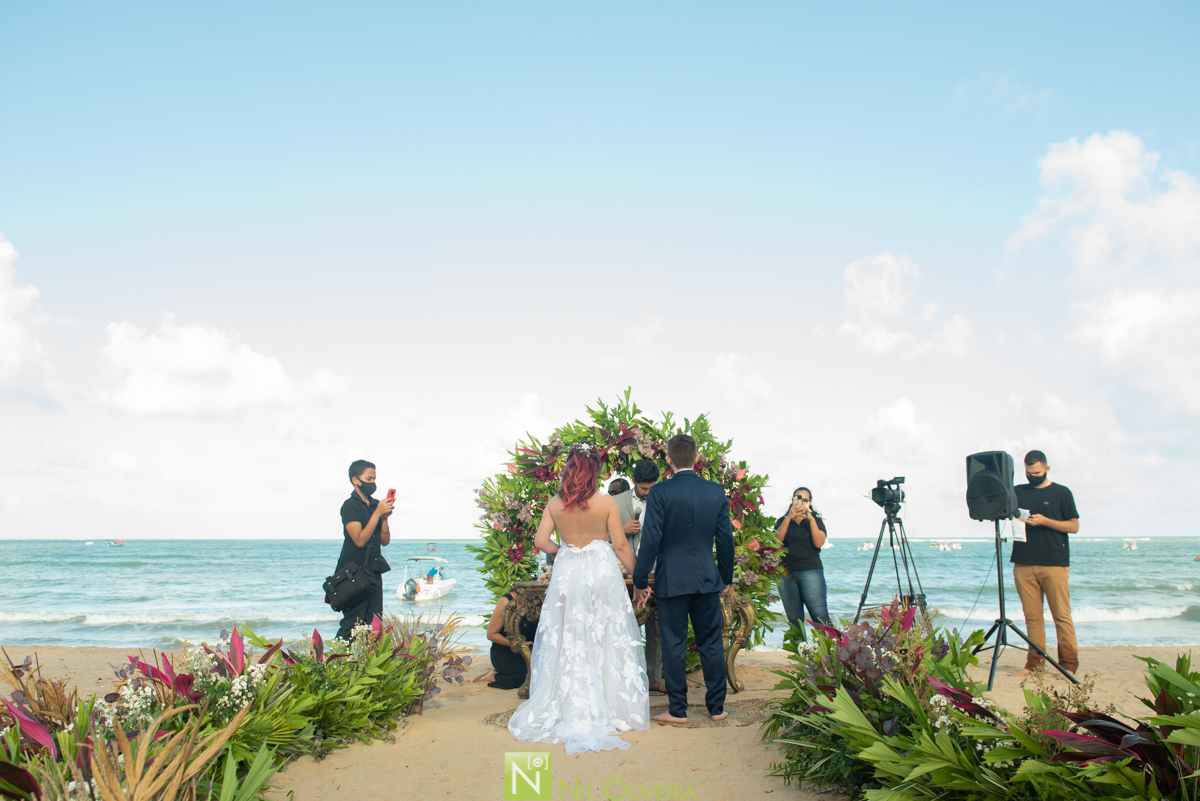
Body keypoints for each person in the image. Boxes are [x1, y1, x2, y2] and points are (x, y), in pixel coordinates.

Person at [507, 443, 649, 753]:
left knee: (570, 635)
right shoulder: (607, 503)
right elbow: (622, 547)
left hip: (569, 575)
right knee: (605, 634)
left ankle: (570, 704)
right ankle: (610, 704)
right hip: (601, 573)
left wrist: (566, 552)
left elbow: (541, 541)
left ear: (570, 469)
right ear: (595, 470)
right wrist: (639, 581)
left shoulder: (555, 504)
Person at [632, 434, 735, 725]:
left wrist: (640, 579)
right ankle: (716, 708)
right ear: (696, 457)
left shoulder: (661, 492)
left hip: (672, 580)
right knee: (712, 643)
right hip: (706, 578)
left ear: (668, 459)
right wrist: (724, 577)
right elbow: (725, 540)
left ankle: (678, 710)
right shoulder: (715, 492)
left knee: (673, 644)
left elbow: (650, 540)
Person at [1012, 450, 1080, 677]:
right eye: (1029, 473)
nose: (1033, 477)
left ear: (1047, 469)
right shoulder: (1018, 491)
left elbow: (1073, 526)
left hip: (1053, 562)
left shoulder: (1062, 492)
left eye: (1037, 473)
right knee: (1032, 617)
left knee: (1061, 615)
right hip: (1023, 562)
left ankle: (1068, 665)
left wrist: (1045, 521)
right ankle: (1034, 664)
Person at [613, 460, 665, 693]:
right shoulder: (615, 502)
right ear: (634, 482)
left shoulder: (664, 498)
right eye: (644, 489)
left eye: (652, 487)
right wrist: (619, 531)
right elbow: (596, 536)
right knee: (621, 627)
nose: (648, 492)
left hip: (657, 572)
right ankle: (623, 678)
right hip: (622, 574)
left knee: (658, 628)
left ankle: (654, 677)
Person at [334, 460, 393, 641]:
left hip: (374, 571)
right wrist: (376, 515)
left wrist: (384, 518)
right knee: (352, 623)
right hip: (354, 573)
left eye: (374, 478)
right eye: (368, 478)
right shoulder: (350, 506)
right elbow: (359, 540)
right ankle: (336, 663)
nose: (372, 482)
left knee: (374, 624)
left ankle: (366, 664)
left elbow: (385, 541)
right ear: (356, 480)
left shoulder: (376, 505)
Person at [774, 487, 830, 636]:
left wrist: (810, 518)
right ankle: (800, 657)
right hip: (786, 573)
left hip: (810, 571)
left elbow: (819, 543)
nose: (802, 502)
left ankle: (830, 656)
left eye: (805, 499)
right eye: (798, 498)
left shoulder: (816, 521)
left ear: (810, 502)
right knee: (795, 620)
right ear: (792, 500)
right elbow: (775, 543)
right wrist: (789, 518)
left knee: (820, 617)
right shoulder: (782, 521)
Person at [475, 590, 538, 690]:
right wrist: (519, 643)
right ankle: (493, 676)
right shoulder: (506, 601)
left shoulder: (542, 602)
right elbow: (491, 634)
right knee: (519, 679)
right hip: (505, 651)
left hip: (527, 650)